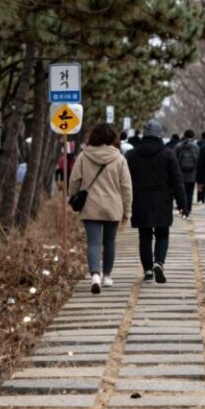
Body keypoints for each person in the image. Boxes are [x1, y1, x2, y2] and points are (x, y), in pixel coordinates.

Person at [69, 123, 133, 294]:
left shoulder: (84, 156)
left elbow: (74, 180)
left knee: (93, 242)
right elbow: (126, 187)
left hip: (90, 205)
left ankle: (95, 275)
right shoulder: (119, 158)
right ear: (113, 138)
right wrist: (127, 211)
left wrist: (72, 196)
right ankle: (107, 276)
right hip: (113, 206)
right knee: (109, 242)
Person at [127, 119, 187, 283]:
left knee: (144, 236)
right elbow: (177, 180)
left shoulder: (132, 155)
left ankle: (147, 270)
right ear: (160, 134)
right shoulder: (168, 154)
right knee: (162, 234)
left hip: (140, 200)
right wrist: (182, 204)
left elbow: (126, 180)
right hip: (162, 200)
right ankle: (159, 262)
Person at [173, 129, 200, 215]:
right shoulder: (196, 147)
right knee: (190, 192)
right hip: (192, 174)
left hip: (180, 174)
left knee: (182, 191)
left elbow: (174, 160)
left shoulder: (178, 146)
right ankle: (188, 209)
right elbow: (198, 160)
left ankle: (183, 208)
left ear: (184, 135)